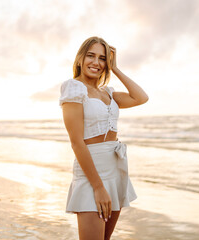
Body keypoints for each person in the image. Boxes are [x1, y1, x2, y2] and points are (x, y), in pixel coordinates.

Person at [59, 36, 149, 240]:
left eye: (102, 58)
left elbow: (141, 97)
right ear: (80, 58)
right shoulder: (73, 88)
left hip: (115, 169)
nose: (96, 62)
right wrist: (98, 187)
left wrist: (115, 68)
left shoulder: (107, 92)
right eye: (91, 56)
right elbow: (76, 142)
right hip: (92, 173)